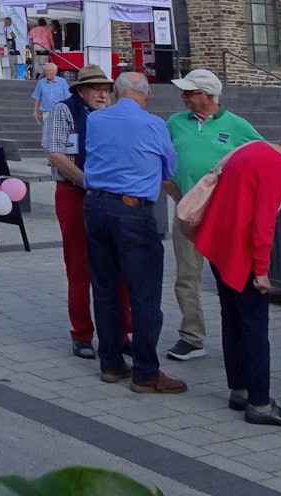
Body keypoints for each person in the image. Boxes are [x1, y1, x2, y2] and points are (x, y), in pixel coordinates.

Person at [192, 124, 281, 426]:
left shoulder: (254, 150)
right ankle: (260, 403)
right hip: (241, 254)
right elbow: (263, 224)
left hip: (220, 244)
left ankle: (240, 389)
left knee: (232, 319)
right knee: (255, 328)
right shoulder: (276, 168)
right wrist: (262, 271)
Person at [82, 72, 184, 394]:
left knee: (105, 287)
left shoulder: (96, 119)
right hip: (131, 209)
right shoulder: (153, 124)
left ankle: (110, 363)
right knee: (144, 293)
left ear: (115, 91)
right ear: (147, 94)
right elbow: (169, 168)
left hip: (95, 205)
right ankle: (145, 372)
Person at [160, 69, 263, 363]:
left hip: (224, 216)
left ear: (208, 96)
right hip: (187, 212)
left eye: (190, 92)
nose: (184, 97)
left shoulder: (237, 125)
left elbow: (262, 158)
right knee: (186, 276)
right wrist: (168, 183)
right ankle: (191, 337)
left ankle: (238, 331)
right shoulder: (175, 122)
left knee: (230, 275)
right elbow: (163, 156)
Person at [43, 65, 128, 359]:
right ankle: (81, 333)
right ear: (80, 90)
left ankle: (122, 331)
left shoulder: (114, 114)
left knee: (118, 264)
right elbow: (55, 153)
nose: (102, 94)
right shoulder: (64, 111)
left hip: (110, 196)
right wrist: (86, 181)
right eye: (95, 88)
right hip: (74, 193)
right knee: (79, 264)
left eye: (106, 89)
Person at [30, 62, 70, 128]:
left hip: (60, 112)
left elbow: (68, 96)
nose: (47, 72)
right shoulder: (41, 82)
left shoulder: (62, 82)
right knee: (47, 130)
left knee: (59, 130)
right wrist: (35, 111)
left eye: (49, 70)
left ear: (54, 72)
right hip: (47, 111)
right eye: (46, 70)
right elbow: (37, 97)